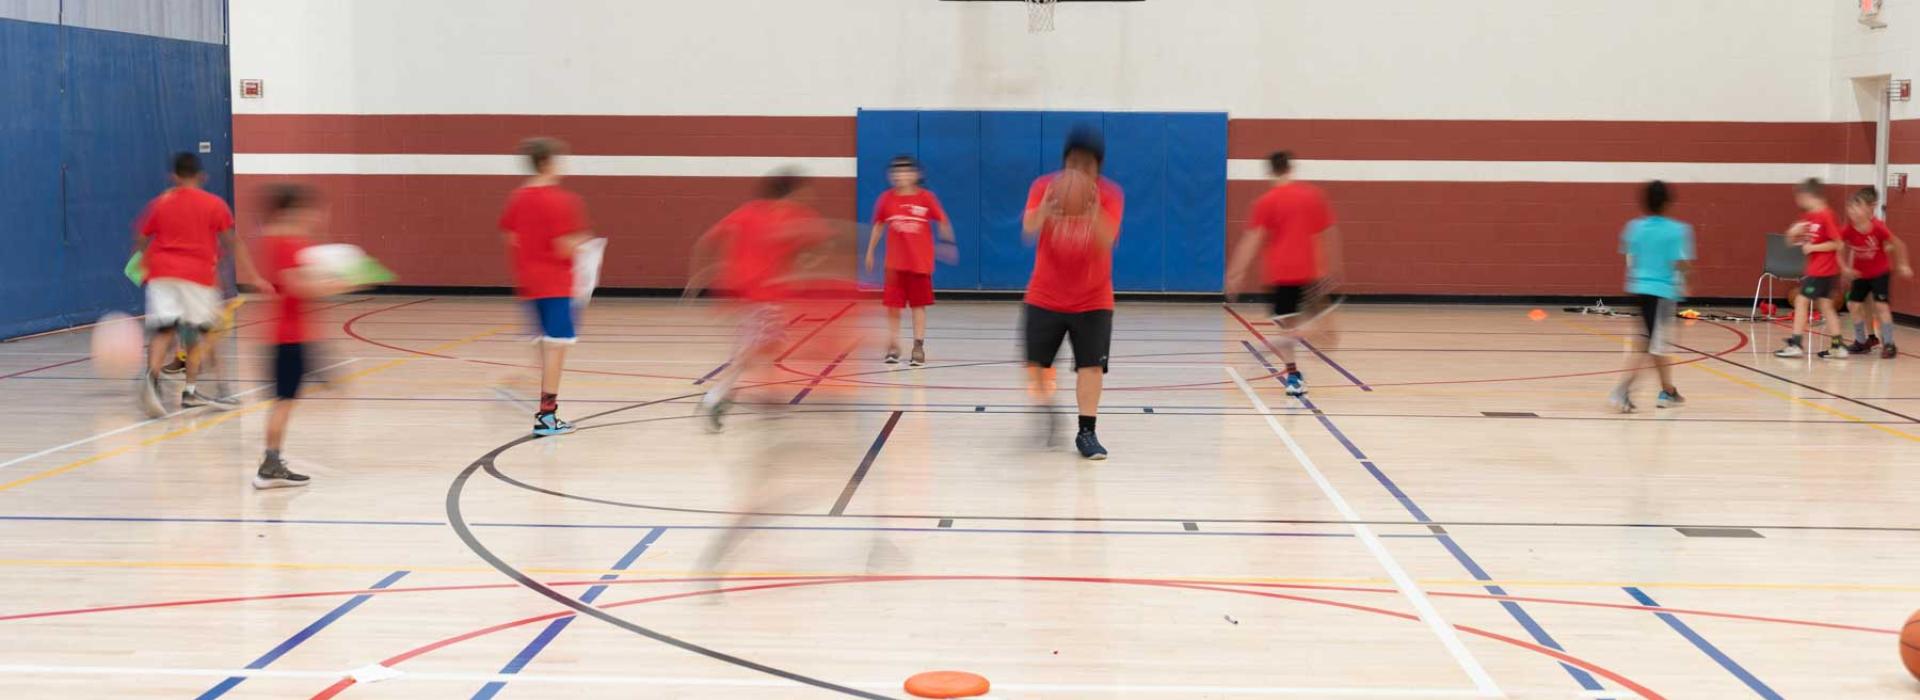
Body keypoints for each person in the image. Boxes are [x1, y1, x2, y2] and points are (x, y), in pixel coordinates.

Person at [687, 170, 837, 432]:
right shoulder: (786, 214)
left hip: (758, 296)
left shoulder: (755, 211)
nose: (810, 197)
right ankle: (715, 398)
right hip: (758, 296)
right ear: (792, 193)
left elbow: (706, 240)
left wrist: (699, 276)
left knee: (765, 348)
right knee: (749, 353)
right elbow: (826, 243)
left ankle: (761, 398)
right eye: (804, 192)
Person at [133, 152, 266, 418]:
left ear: (174, 176)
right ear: (202, 176)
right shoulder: (214, 204)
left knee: (164, 331)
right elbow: (233, 242)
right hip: (197, 276)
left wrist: (143, 264)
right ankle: (203, 390)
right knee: (204, 333)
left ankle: (152, 381)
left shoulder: (160, 203)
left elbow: (141, 237)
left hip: (161, 273)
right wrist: (254, 276)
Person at [1021, 127, 1124, 460]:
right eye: (1073, 163)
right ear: (1064, 162)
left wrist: (1092, 211)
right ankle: (1048, 408)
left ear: (1098, 169)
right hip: (1045, 294)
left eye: (1087, 165)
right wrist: (1047, 210)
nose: (1078, 170)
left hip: (1093, 297)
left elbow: (1108, 240)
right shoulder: (1042, 187)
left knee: (1091, 367)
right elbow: (1028, 230)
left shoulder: (1110, 195)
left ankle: (1087, 432)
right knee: (1036, 365)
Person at [253, 185, 360, 489]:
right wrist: (343, 284)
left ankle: (272, 462)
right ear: (293, 211)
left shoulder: (279, 241)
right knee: (284, 402)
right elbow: (300, 287)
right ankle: (269, 466)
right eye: (309, 211)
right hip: (288, 337)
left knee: (285, 400)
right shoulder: (287, 243)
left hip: (291, 334)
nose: (314, 217)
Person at [499, 137, 596, 436]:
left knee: (545, 347)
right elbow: (564, 247)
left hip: (528, 284)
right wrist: (585, 243)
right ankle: (547, 416)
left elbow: (510, 236)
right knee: (557, 349)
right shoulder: (562, 200)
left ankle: (537, 399)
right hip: (556, 284)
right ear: (548, 163)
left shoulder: (518, 197)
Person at [1225, 151, 1341, 398]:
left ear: (1270, 172)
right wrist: (1335, 268)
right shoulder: (1313, 196)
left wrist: (1235, 273)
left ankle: (1290, 373)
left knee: (1288, 330)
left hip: (1278, 277)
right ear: (1291, 168)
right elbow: (1329, 232)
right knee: (1328, 338)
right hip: (1310, 274)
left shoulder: (1265, 201)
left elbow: (1251, 240)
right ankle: (1285, 366)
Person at [1608, 181, 1694, 413]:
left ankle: (1668, 391)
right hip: (1663, 294)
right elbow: (1681, 263)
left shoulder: (1634, 227)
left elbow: (1630, 259)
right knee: (1649, 346)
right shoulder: (1677, 230)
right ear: (1668, 203)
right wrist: (1686, 281)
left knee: (1656, 345)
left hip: (1638, 290)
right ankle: (1622, 391)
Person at [864, 155, 957, 366]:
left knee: (918, 306)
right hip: (894, 266)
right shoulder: (886, 199)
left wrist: (947, 243)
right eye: (896, 172)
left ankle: (918, 346)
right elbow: (879, 225)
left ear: (916, 175)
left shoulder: (926, 198)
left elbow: (943, 221)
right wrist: (870, 251)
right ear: (891, 176)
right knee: (893, 307)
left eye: (906, 171)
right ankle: (894, 344)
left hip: (919, 265)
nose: (901, 175)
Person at [1775, 178, 1848, 359]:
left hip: (1821, 270)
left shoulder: (1826, 215)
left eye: (1798, 197)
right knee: (1826, 306)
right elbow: (1791, 241)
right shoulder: (1809, 217)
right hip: (1817, 269)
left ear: (1807, 195)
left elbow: (1838, 244)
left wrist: (1814, 248)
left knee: (1801, 300)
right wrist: (1792, 233)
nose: (1797, 202)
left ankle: (1797, 343)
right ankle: (1838, 346)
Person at [1841, 187, 1912, 358]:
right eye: (1850, 208)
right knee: (1852, 304)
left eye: (1857, 208)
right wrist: (1845, 268)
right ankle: (1860, 341)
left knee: (1881, 306)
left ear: (1868, 209)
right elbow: (1839, 245)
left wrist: (1903, 264)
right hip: (1861, 274)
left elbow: (1899, 245)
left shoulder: (1878, 228)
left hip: (1880, 272)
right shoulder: (1848, 229)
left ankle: (1889, 344)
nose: (1853, 212)